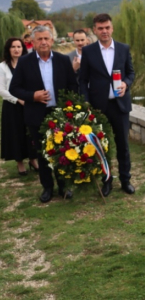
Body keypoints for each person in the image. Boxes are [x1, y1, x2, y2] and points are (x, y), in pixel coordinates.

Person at [10, 26, 78, 203]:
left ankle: (63, 186)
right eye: (39, 39)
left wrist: (69, 107)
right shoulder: (25, 62)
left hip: (59, 114)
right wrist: (33, 96)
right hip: (36, 114)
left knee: (62, 151)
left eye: (46, 39)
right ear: (33, 41)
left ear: (52, 40)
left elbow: (73, 85)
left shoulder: (63, 60)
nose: (43, 42)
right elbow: (14, 88)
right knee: (42, 152)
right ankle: (47, 187)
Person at [79, 13, 135, 196]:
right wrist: (87, 103)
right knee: (102, 146)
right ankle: (107, 181)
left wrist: (126, 83)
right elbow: (83, 80)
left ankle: (126, 180)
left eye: (107, 27)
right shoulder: (88, 52)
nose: (104, 31)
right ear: (94, 30)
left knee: (123, 145)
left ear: (112, 28)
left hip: (120, 106)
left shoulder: (123, 49)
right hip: (98, 107)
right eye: (100, 28)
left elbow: (131, 73)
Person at [0, 38, 38, 175]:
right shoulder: (3, 67)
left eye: (19, 46)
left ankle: (33, 160)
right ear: (8, 49)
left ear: (23, 48)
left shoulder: (28, 64)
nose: (16, 49)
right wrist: (18, 100)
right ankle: (20, 162)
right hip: (12, 106)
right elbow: (2, 90)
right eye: (13, 47)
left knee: (31, 133)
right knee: (16, 134)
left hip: (29, 103)